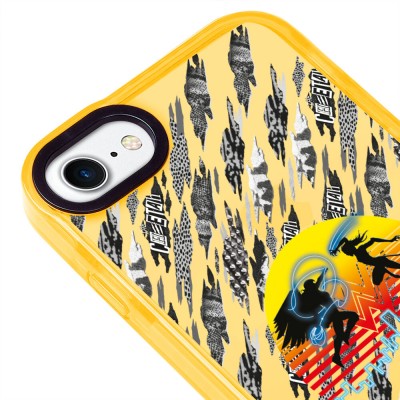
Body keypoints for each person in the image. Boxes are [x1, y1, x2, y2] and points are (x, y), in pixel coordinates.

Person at [274, 270, 359, 368]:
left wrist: (323, 272)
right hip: (327, 318)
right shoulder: (308, 297)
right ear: (309, 288)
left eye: (314, 284)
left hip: (334, 315)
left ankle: (337, 354)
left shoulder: (317, 293)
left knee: (341, 333)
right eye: (313, 284)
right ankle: (345, 336)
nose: (315, 285)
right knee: (353, 316)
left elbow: (318, 280)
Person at [330, 233, 400, 285]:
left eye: (346, 253)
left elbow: (373, 239)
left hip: (381, 262)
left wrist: (390, 240)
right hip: (379, 263)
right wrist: (336, 248)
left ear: (349, 251)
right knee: (376, 282)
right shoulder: (360, 251)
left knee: (376, 281)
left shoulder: (360, 250)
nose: (347, 254)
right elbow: (345, 240)